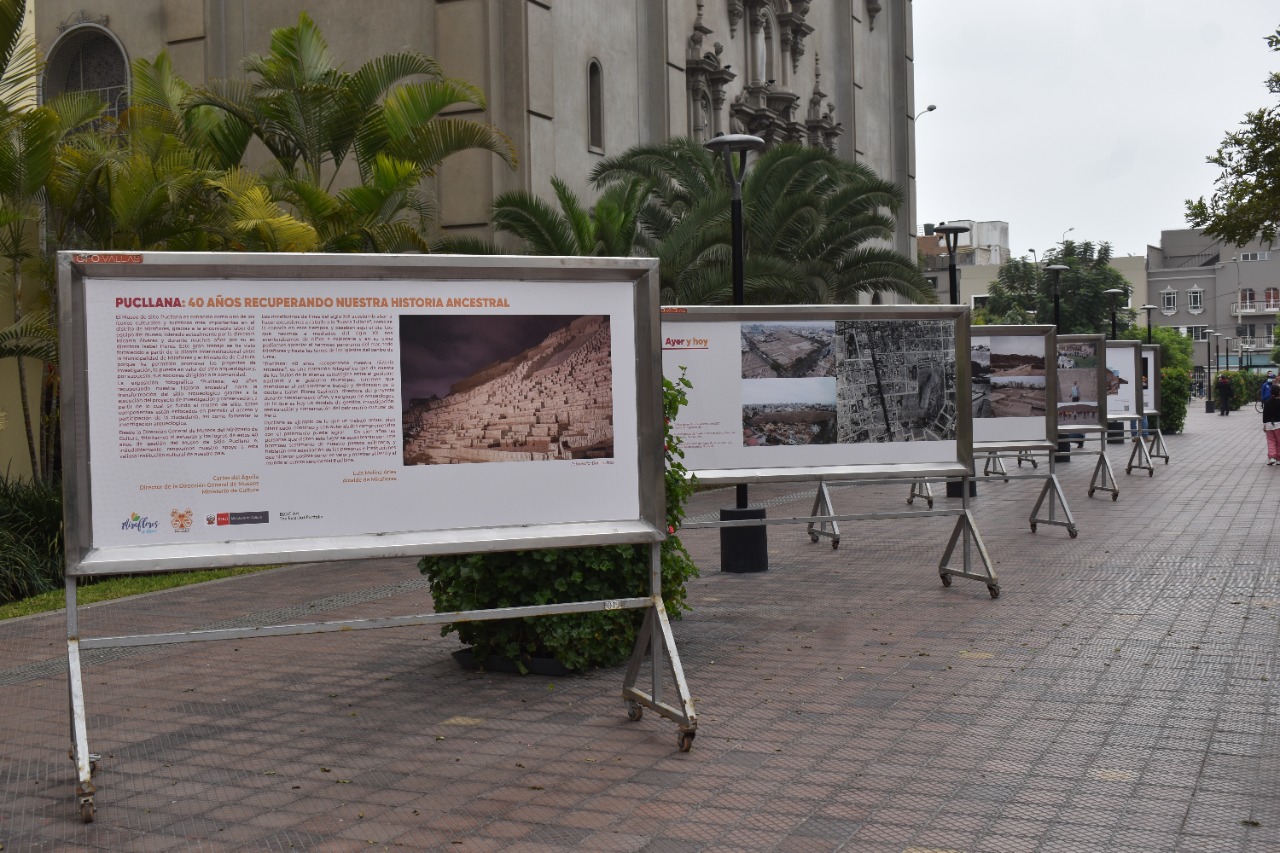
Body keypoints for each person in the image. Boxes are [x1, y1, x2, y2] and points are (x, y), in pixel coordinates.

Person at [1264, 377, 1280, 464]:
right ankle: (1278, 459)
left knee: (1271, 441)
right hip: (1279, 425)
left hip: (1269, 425)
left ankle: (1272, 457)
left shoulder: (1267, 402)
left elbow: (1264, 415)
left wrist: (1264, 425)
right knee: (1279, 442)